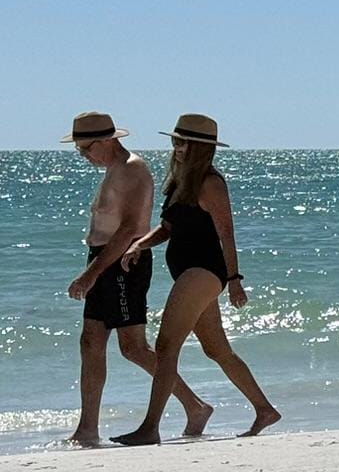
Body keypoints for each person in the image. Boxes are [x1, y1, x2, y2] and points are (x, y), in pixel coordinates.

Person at [112, 115, 280, 444]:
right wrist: (138, 244)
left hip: (204, 271)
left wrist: (234, 279)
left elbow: (226, 235)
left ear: (200, 147)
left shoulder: (211, 182)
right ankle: (264, 409)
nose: (175, 148)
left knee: (165, 346)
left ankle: (150, 428)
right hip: (188, 271)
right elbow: (169, 228)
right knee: (216, 349)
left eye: (181, 142)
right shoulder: (180, 182)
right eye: (174, 141)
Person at [61, 112, 212, 445]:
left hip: (123, 265)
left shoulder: (133, 169)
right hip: (103, 261)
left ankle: (195, 405)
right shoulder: (113, 169)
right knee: (90, 342)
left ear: (107, 140)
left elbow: (130, 229)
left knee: (133, 348)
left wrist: (90, 275)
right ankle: (87, 429)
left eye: (86, 148)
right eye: (79, 150)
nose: (83, 156)